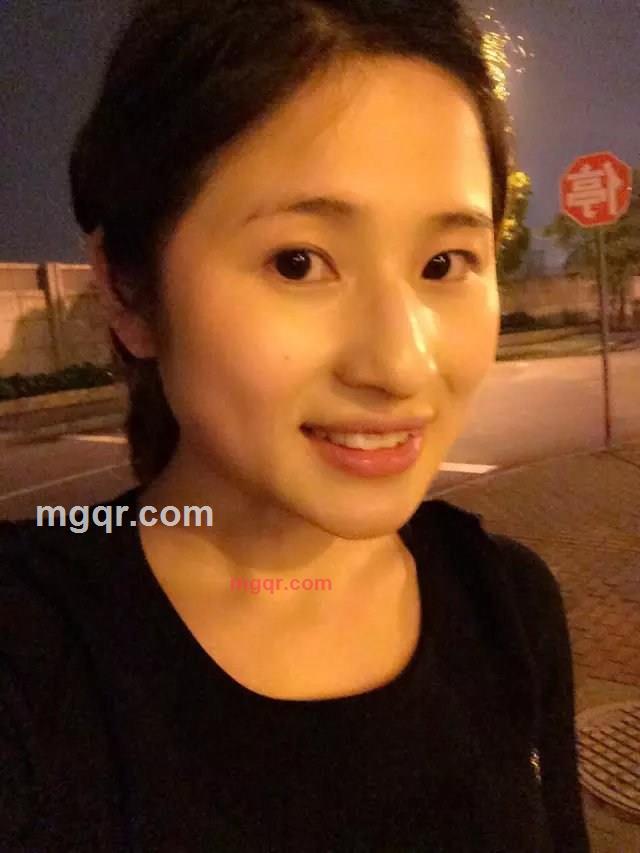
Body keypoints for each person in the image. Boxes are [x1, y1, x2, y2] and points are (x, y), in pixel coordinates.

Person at [0, 0, 591, 850]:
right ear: (128, 289)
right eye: (299, 262)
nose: (401, 363)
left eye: (444, 263)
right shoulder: (30, 656)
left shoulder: (509, 607)